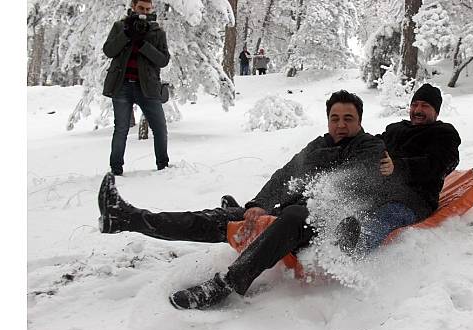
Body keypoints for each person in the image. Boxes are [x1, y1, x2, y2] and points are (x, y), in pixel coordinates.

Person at [98, 90, 386, 310]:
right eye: (335, 118)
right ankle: (125, 218)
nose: (341, 125)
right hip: (287, 221)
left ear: (360, 120)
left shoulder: (370, 147)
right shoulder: (319, 144)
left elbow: (345, 179)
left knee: (297, 213)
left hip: (328, 229)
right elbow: (286, 174)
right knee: (220, 219)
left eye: (348, 119)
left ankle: (228, 284)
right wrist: (257, 205)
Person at [353, 83, 461, 253]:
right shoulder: (396, 129)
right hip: (379, 191)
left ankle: (350, 260)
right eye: (414, 105)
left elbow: (438, 164)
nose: (418, 110)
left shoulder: (444, 134)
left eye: (425, 106)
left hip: (413, 199)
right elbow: (375, 145)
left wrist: (397, 166)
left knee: (378, 220)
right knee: (344, 207)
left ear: (436, 111)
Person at [102, 0, 171, 176]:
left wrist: (142, 44)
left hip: (147, 87)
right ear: (133, 7)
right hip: (122, 85)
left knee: (160, 127)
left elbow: (163, 60)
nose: (144, 12)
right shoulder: (120, 27)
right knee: (121, 128)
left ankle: (163, 167)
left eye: (148, 9)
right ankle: (116, 170)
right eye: (141, 8)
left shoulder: (157, 32)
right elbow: (109, 51)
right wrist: (127, 34)